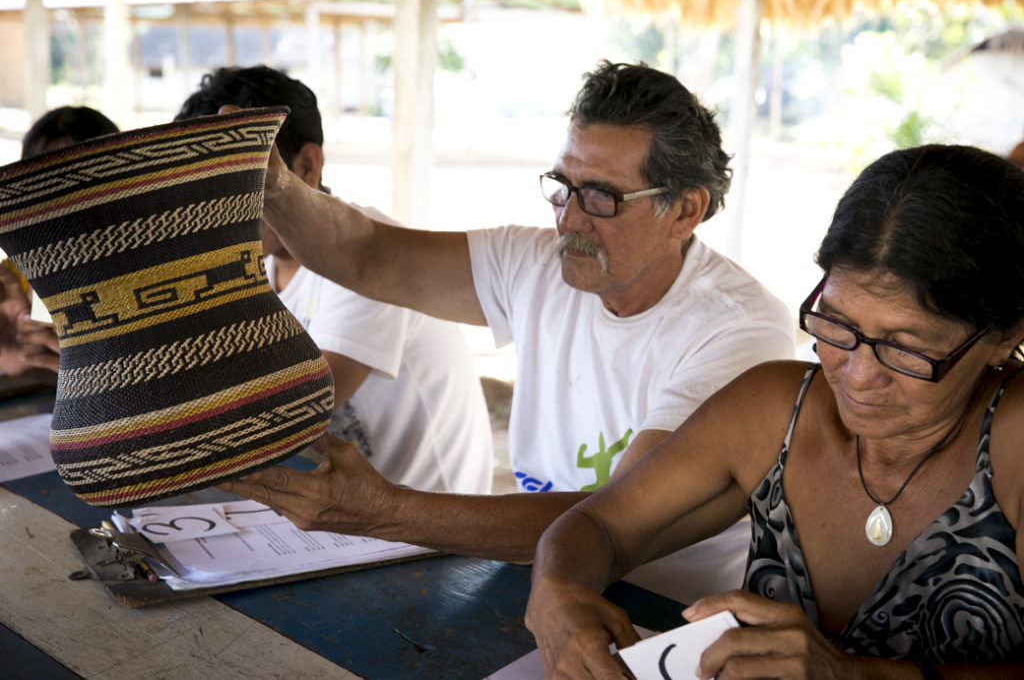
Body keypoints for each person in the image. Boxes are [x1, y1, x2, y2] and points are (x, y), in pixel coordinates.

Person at [218, 60, 795, 603]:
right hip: (537, 577)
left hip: (666, 618)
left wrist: (387, 510)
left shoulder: (735, 330)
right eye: (563, 186)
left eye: (601, 197)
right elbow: (367, 254)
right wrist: (272, 185)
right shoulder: (537, 261)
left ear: (686, 211)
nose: (569, 219)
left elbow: (614, 520)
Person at [524, 144, 1024, 677]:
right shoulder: (774, 410)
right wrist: (557, 589)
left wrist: (849, 674)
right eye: (836, 324)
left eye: (905, 349)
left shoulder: (1012, 442)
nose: (855, 375)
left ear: (1004, 337)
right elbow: (600, 525)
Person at [174, 65, 493, 494]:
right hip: (347, 519)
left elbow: (289, 413)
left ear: (307, 165)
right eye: (200, 190)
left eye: (237, 186)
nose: (217, 213)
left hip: (430, 533)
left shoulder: (371, 259)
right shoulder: (257, 266)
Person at [1, 106, 119, 377]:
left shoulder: (143, 262)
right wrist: (12, 353)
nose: (62, 201)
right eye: (43, 182)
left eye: (78, 178)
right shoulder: (13, 280)